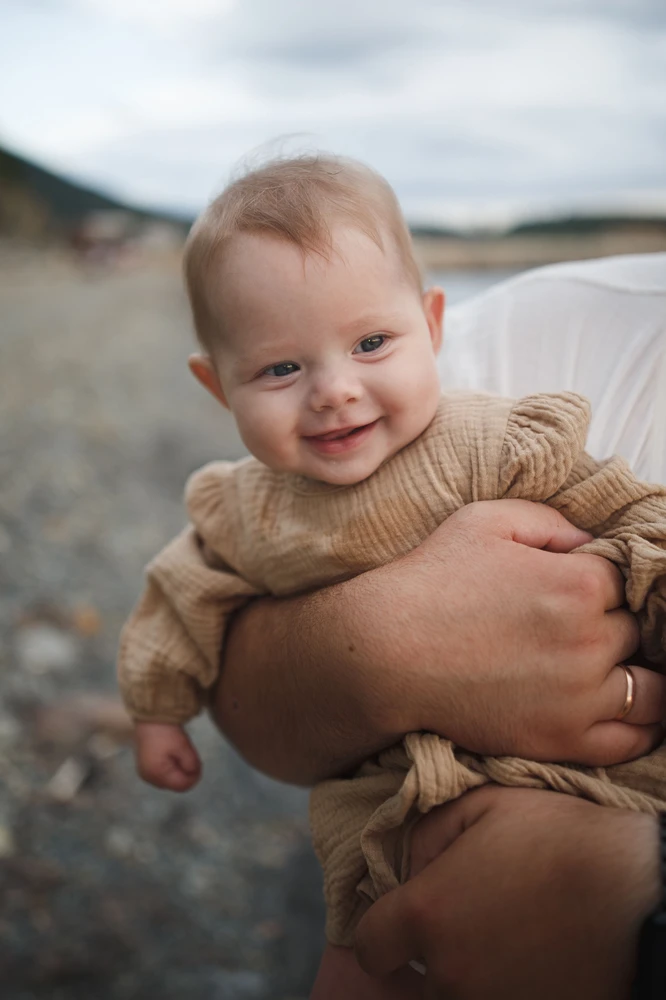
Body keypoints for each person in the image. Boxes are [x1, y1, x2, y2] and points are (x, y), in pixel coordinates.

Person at [116, 151, 666, 986]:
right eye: (280, 369)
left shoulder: (487, 440)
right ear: (217, 387)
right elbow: (181, 595)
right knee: (359, 960)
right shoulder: (243, 507)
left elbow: (621, 505)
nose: (334, 391)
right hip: (386, 814)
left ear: (434, 326)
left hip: (597, 781)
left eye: (372, 343)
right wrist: (157, 711)